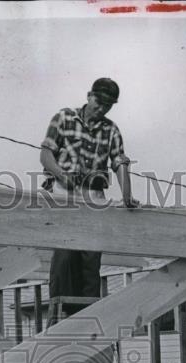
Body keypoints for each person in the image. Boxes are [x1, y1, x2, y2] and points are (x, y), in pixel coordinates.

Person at [40, 77, 140, 318]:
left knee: (90, 261)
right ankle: (60, 317)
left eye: (108, 105)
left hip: (93, 196)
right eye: (99, 102)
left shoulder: (111, 130)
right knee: (64, 257)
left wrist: (127, 194)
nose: (102, 108)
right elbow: (46, 155)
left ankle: (86, 319)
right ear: (89, 96)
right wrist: (61, 175)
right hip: (64, 194)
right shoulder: (63, 118)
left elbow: (119, 162)